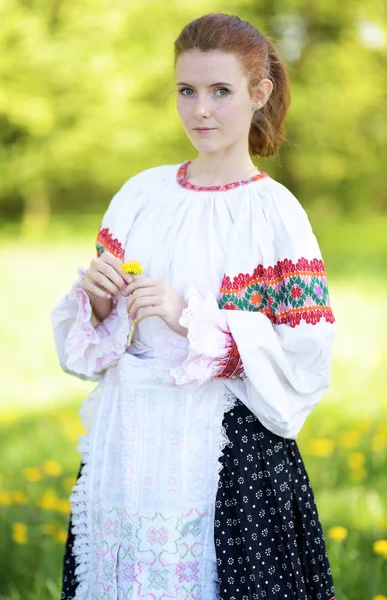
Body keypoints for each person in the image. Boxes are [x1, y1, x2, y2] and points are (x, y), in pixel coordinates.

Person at [51, 12, 337, 600]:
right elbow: (91, 349)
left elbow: (305, 358)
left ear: (260, 95)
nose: (200, 110)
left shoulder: (273, 212)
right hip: (128, 445)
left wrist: (192, 317)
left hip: (224, 458)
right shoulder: (140, 194)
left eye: (220, 91)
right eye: (187, 90)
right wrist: (100, 301)